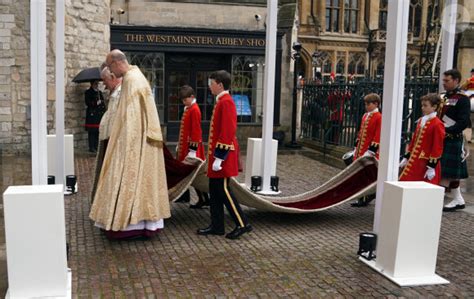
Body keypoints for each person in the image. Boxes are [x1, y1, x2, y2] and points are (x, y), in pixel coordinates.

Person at [89, 49, 170, 239]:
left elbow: (132, 119)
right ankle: (141, 225)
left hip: (133, 142)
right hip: (139, 140)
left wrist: (122, 146)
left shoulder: (132, 80)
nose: (110, 72)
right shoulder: (134, 76)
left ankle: (129, 226)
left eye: (110, 67)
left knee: (129, 180)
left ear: (117, 63)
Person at [197, 70, 252, 240]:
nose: (209, 86)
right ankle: (217, 225)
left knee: (224, 190)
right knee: (215, 191)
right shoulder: (221, 101)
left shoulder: (226, 102)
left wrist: (219, 157)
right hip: (218, 156)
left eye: (211, 83)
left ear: (220, 84)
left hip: (223, 156)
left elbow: (227, 132)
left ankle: (242, 224)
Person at [439, 69, 470, 212]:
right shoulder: (442, 97)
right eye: (443, 80)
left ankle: (437, 201)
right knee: (445, 171)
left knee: (447, 173)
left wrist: (447, 131)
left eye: (447, 81)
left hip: (452, 137)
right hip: (442, 137)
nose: (444, 83)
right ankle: (458, 199)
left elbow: (464, 122)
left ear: (456, 81)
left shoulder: (463, 99)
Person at [90, 66, 122, 202]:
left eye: (104, 80)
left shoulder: (121, 94)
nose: (103, 85)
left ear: (113, 78)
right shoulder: (114, 93)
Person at [399, 94, 445, 185]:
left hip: (426, 163)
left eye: (425, 105)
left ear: (434, 107)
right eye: (422, 105)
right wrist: (406, 157)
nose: (422, 108)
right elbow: (414, 141)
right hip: (416, 161)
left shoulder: (437, 124)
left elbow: (437, 147)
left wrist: (431, 167)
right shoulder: (421, 121)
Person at [176, 85, 209, 209]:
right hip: (186, 147)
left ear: (192, 97)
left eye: (185, 100)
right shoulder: (188, 108)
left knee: (196, 175)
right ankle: (202, 198)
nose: (184, 102)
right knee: (193, 175)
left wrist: (192, 151)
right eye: (182, 100)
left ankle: (204, 199)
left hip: (192, 149)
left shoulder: (194, 109)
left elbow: (195, 132)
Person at [351, 93, 382, 207]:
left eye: (368, 104)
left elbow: (377, 136)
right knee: (360, 175)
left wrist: (371, 151)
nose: (366, 106)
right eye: (365, 104)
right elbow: (360, 133)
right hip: (360, 150)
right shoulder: (365, 115)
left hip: (369, 151)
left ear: (376, 104)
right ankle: (361, 196)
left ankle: (365, 197)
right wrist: (356, 147)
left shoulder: (379, 117)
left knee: (366, 175)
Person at [84, 80, 106, 153]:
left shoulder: (99, 92)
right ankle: (91, 147)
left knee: (97, 131)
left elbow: (102, 102)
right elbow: (88, 102)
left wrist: (102, 104)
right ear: (92, 84)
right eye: (95, 84)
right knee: (92, 132)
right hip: (92, 115)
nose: (97, 85)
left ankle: (96, 146)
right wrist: (96, 103)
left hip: (98, 115)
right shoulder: (88, 92)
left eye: (97, 84)